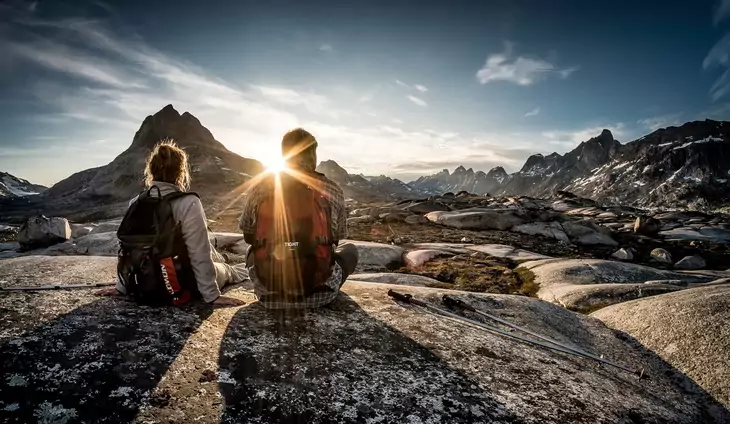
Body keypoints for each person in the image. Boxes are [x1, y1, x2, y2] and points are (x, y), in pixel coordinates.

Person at [97, 141, 247, 307]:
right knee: (227, 270)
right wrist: (211, 295)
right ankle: (244, 267)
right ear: (180, 173)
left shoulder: (136, 202)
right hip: (181, 285)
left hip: (144, 283)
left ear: (151, 171)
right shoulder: (188, 202)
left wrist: (121, 287)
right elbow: (199, 252)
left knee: (215, 256)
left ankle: (225, 259)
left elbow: (128, 250)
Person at [239, 128, 358, 309]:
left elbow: (248, 235)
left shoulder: (261, 186)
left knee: (250, 250)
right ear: (313, 155)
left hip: (269, 294)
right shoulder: (332, 188)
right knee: (350, 250)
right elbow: (336, 238)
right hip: (320, 294)